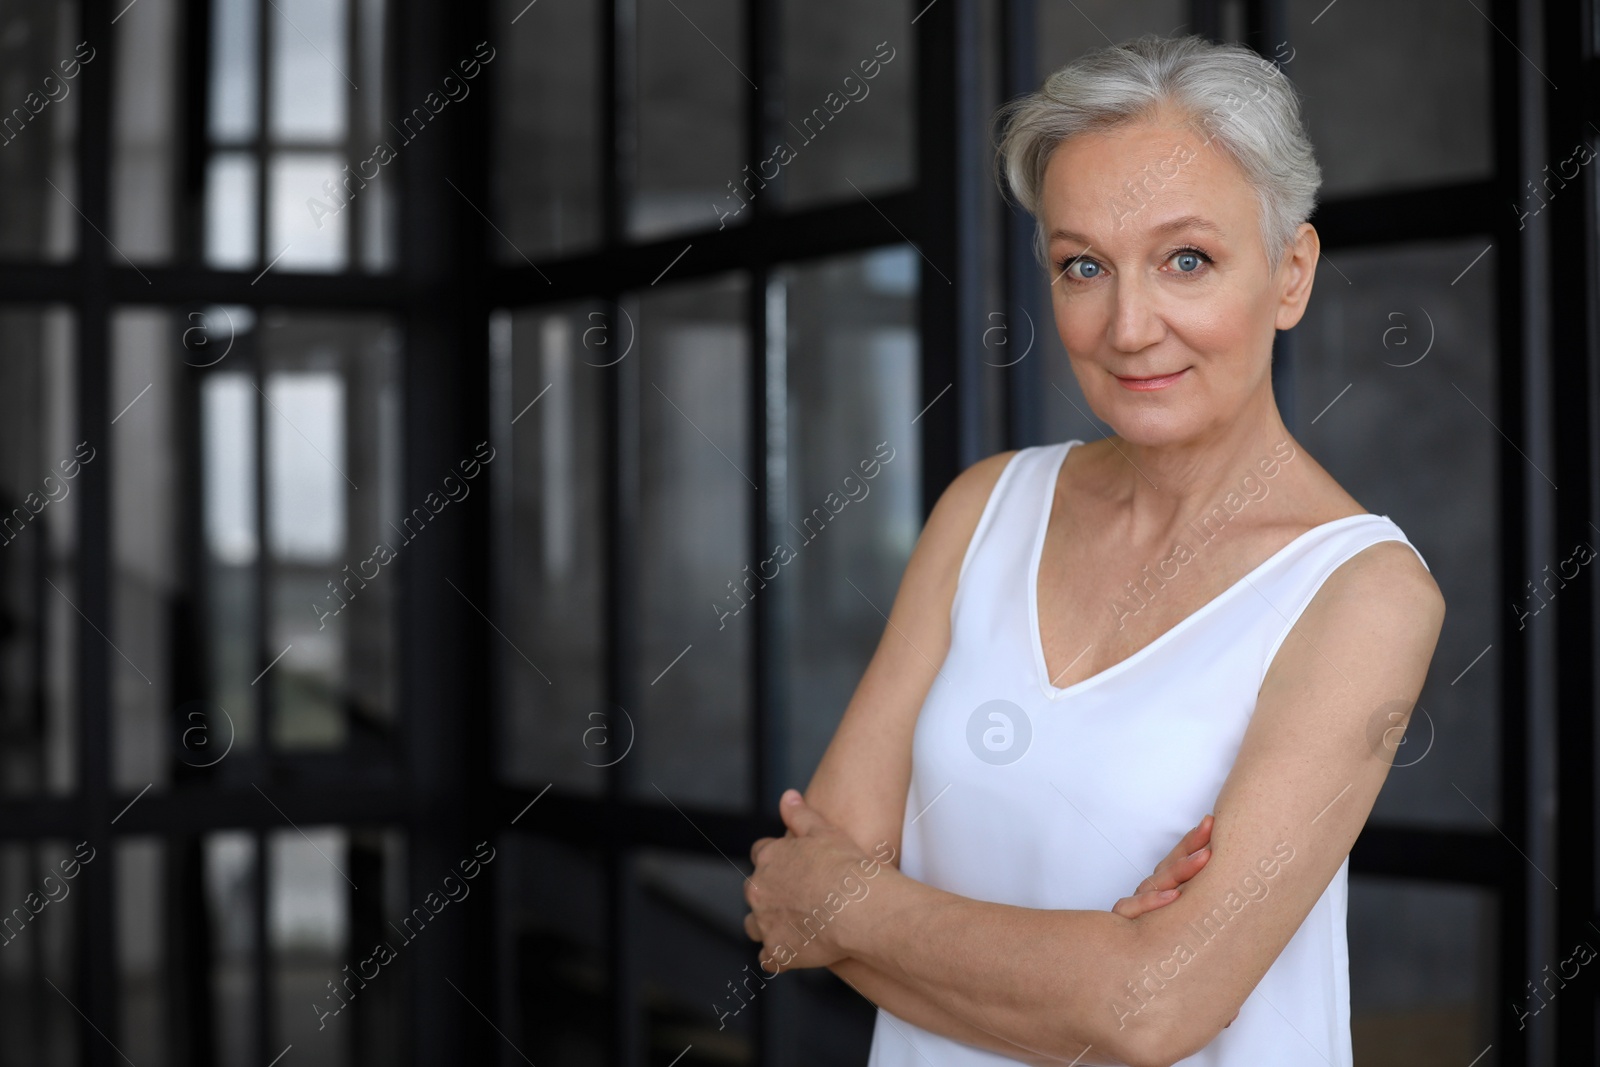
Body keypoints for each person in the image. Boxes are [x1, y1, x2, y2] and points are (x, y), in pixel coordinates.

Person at [742, 32, 1444, 1067]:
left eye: (1186, 260)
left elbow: (1152, 1011)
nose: (1127, 324)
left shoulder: (1362, 592)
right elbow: (790, 915)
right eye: (1082, 265)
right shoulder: (985, 507)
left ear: (1289, 275)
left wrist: (854, 903)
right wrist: (1101, 966)